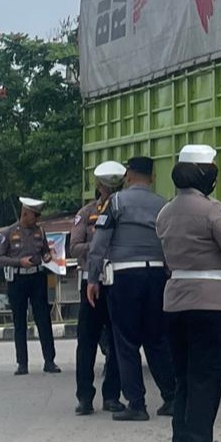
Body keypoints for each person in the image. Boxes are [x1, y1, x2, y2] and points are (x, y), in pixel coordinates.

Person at [157, 144, 221, 442]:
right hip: (211, 304)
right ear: (204, 173)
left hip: (176, 300)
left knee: (183, 378)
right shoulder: (214, 211)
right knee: (206, 380)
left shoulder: (165, 213)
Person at [87, 156, 176, 421]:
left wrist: (93, 278)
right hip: (157, 274)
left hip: (125, 276)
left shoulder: (116, 202)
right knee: (157, 339)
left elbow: (100, 242)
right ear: (153, 177)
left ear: (127, 175)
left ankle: (136, 404)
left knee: (125, 341)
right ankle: (171, 397)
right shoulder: (163, 204)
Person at [69, 161, 126, 416]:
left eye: (116, 185)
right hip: (90, 283)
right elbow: (75, 246)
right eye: (108, 186)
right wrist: (98, 247)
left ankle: (112, 395)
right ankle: (84, 396)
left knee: (117, 340)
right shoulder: (86, 212)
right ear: (99, 186)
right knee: (87, 341)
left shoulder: (126, 211)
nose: (111, 190)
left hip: (117, 282)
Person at [0, 197, 60, 375]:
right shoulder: (9, 232)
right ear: (25, 213)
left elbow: (45, 250)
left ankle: (49, 361)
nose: (37, 219)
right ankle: (22, 363)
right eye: (34, 215)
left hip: (37, 277)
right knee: (20, 322)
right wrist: (18, 262)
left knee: (43, 320)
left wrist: (47, 256)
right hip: (17, 279)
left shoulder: (40, 231)